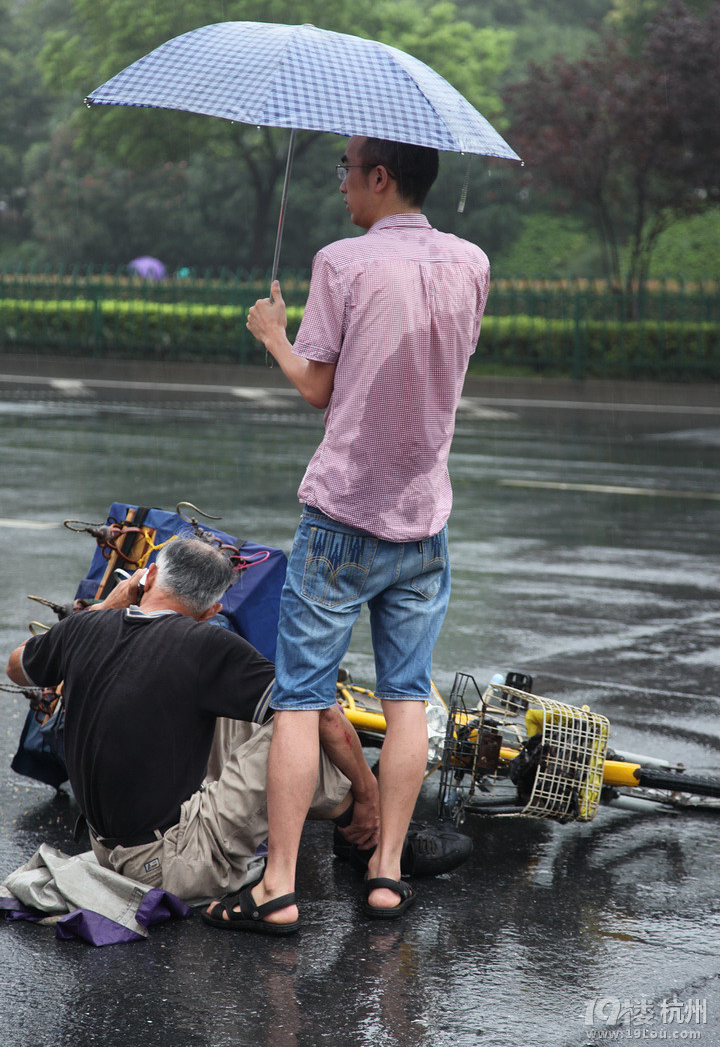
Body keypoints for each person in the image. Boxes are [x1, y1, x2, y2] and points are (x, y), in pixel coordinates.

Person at [232, 135, 490, 928]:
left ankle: (277, 886)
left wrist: (273, 332)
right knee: (408, 695)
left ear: (380, 177)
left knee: (302, 702)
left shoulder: (341, 262)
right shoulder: (473, 263)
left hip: (342, 516)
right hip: (424, 520)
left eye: (347, 171)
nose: (342, 185)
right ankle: (385, 874)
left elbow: (319, 387)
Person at [5, 536, 380, 920]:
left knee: (249, 706)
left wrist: (104, 606)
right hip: (173, 864)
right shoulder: (207, 643)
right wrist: (369, 794)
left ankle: (354, 826)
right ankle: (364, 829)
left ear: (147, 577)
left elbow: (16, 667)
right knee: (300, 721)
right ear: (210, 611)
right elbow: (326, 715)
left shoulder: (83, 628)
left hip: (109, 850)